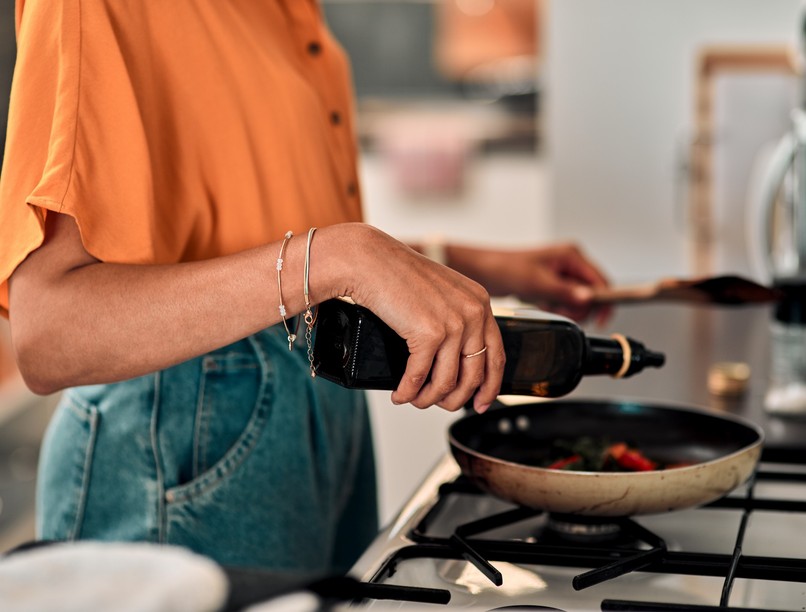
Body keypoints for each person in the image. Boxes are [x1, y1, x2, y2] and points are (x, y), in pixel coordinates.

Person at [0, 1, 609, 576]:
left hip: (317, 411)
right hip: (183, 445)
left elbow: (276, 243)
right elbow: (49, 332)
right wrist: (345, 256)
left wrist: (468, 265)